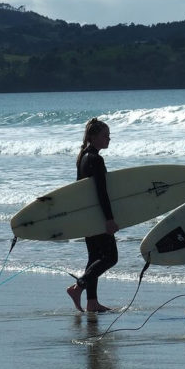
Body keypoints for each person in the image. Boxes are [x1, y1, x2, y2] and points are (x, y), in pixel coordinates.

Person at [67, 118, 119, 313]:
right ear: (93, 137)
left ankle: (92, 302)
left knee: (95, 257)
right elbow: (101, 192)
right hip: (98, 216)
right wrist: (109, 219)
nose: (109, 139)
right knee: (110, 257)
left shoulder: (83, 158)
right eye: (105, 135)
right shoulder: (96, 159)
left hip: (88, 216)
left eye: (109, 135)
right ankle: (78, 288)